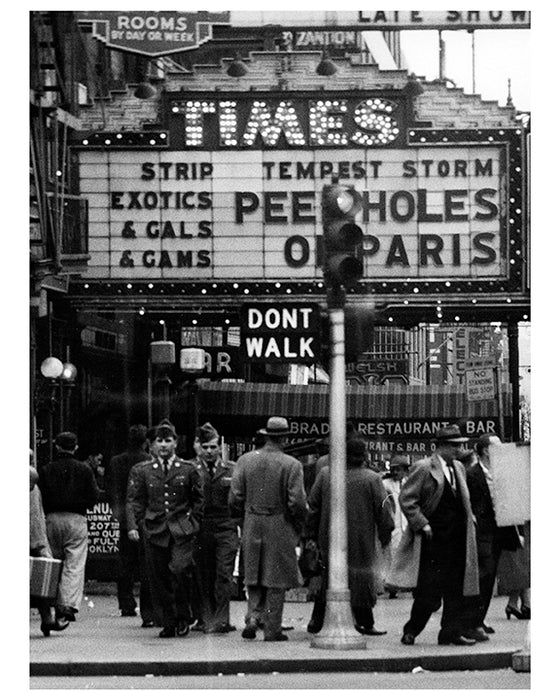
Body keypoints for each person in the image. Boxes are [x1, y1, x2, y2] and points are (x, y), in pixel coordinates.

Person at [388, 424, 480, 646]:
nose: (459, 450)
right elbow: (407, 499)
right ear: (443, 447)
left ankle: (450, 632)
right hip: (434, 539)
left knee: (456, 589)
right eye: (455, 446)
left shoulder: (458, 467)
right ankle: (412, 630)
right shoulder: (423, 467)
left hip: (457, 537)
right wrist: (422, 524)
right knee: (429, 591)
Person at [304, 436, 394, 635]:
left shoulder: (326, 474)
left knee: (328, 578)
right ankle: (365, 622)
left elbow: (313, 507)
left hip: (328, 538)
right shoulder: (372, 478)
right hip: (361, 539)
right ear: (364, 456)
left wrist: (310, 534)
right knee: (361, 580)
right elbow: (384, 511)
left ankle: (317, 620)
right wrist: (386, 533)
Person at [229, 416, 307, 642]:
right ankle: (272, 628)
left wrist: (243, 518)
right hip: (278, 523)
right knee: (276, 579)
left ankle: (253, 617)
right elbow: (297, 502)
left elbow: (234, 496)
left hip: (252, 521)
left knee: (253, 574)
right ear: (284, 437)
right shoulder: (292, 465)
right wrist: (297, 525)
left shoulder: (245, 460)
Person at [127, 419, 204, 638]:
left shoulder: (189, 469)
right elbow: (136, 501)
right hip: (155, 529)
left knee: (179, 571)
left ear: (175, 443)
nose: (163, 445)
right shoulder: (142, 470)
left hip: (182, 530)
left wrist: (194, 523)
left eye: (167, 440)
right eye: (159, 441)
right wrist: (138, 524)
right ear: (151, 445)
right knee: (158, 577)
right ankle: (169, 621)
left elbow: (198, 500)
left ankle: (183, 615)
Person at [38, 431, 100, 625]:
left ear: (56, 446)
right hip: (76, 519)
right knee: (74, 564)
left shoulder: (46, 469)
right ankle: (67, 606)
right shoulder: (85, 470)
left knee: (52, 563)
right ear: (76, 447)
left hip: (52, 518)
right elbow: (93, 497)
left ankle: (49, 604)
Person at [188, 422, 239, 634]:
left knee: (224, 573)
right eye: (205, 447)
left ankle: (222, 619)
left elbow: (239, 499)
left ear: (220, 447)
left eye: (213, 447)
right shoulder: (190, 469)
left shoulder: (232, 469)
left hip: (225, 526)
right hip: (200, 527)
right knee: (203, 574)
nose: (209, 452)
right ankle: (204, 618)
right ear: (198, 447)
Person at [106, 424, 154, 626]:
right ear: (146, 442)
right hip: (144, 517)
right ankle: (147, 607)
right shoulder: (149, 462)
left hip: (123, 518)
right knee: (145, 563)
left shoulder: (116, 461)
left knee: (125, 563)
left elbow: (112, 489)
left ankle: (126, 603)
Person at [30, 452, 69, 637]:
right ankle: (47, 619)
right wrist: (40, 544)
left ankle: (47, 619)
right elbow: (35, 518)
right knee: (41, 582)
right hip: (32, 539)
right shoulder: (32, 487)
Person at [382, 455, 409, 599]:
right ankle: (392, 586)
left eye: (398, 470)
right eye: (393, 469)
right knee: (392, 556)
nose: (396, 473)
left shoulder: (409, 483)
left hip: (407, 525)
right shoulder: (386, 484)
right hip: (394, 526)